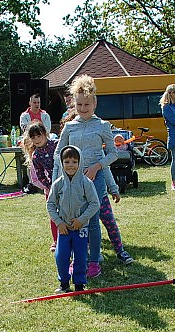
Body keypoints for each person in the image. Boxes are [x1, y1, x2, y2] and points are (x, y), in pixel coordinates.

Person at [54, 75, 118, 279]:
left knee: (92, 221)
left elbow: (113, 154)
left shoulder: (103, 125)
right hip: (73, 181)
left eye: (87, 104)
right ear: (74, 103)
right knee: (74, 219)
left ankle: (94, 261)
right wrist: (61, 178)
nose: (83, 108)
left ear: (94, 103)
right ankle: (78, 258)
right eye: (79, 104)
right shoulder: (69, 127)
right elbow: (58, 153)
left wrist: (97, 167)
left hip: (95, 179)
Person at [47, 145, 100, 293]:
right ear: (62, 163)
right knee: (61, 256)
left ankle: (79, 284)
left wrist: (81, 220)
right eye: (67, 162)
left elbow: (94, 203)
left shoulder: (86, 182)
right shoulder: (58, 183)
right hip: (64, 228)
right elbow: (50, 204)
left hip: (80, 228)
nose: (71, 165)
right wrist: (59, 222)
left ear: (80, 162)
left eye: (74, 162)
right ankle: (64, 283)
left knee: (81, 257)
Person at [24, 121, 59, 251]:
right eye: (33, 137)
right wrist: (48, 186)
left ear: (45, 134)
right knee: (53, 215)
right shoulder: (36, 155)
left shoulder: (57, 145)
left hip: (67, 184)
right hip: (51, 189)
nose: (37, 139)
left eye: (39, 136)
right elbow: (39, 175)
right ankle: (56, 240)